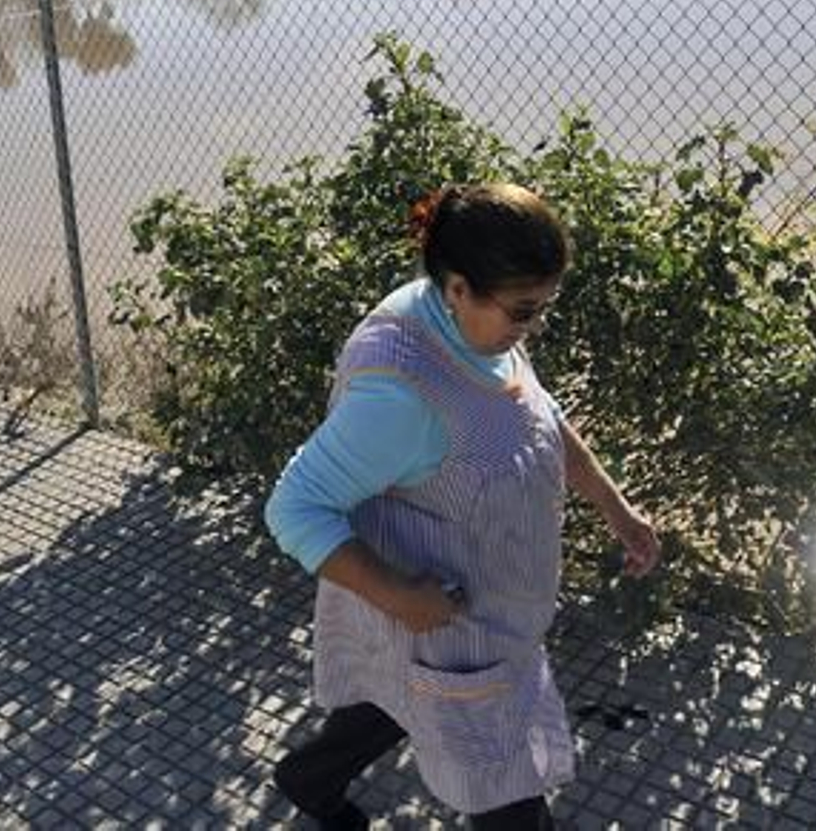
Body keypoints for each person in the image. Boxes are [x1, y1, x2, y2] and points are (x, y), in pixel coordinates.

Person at [265, 181, 661, 830]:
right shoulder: (400, 395)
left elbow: (539, 414)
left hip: (469, 612)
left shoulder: (478, 328)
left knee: (396, 692)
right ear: (456, 288)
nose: (533, 327)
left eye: (542, 307)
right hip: (458, 631)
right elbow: (294, 507)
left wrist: (614, 506)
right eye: (525, 310)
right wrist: (400, 597)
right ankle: (317, 774)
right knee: (507, 786)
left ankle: (312, 775)